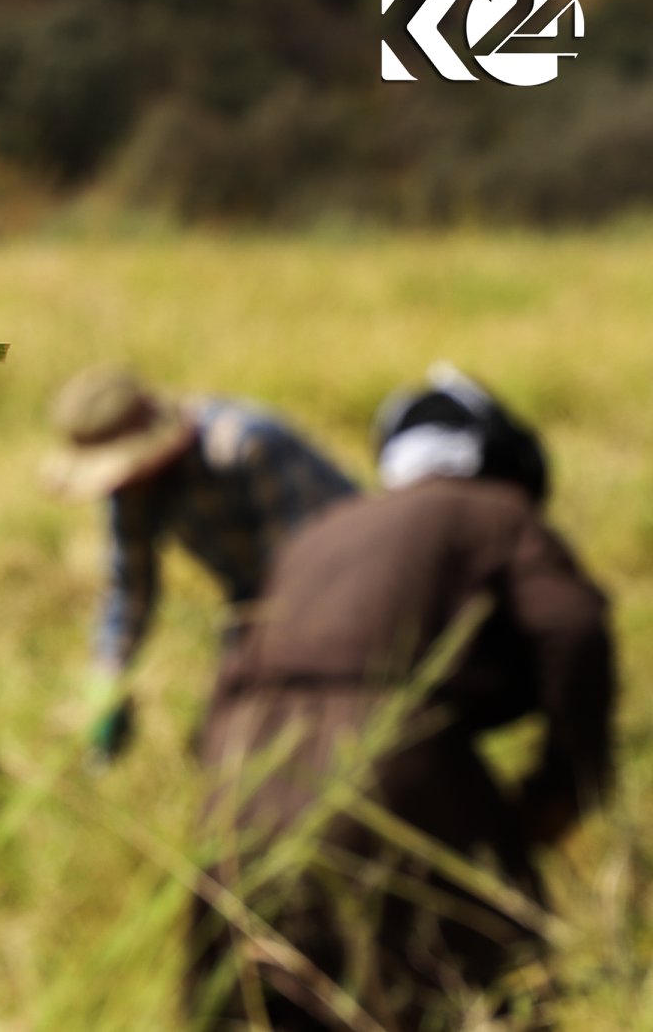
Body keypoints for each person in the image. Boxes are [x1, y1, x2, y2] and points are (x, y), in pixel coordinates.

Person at [187, 366, 617, 1030]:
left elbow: (230, 668)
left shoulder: (323, 531)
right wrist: (567, 782)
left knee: (265, 1008)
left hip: (240, 787)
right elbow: (572, 628)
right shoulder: (495, 511)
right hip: (382, 762)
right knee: (485, 991)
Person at [46, 369, 357, 763]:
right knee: (218, 743)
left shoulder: (243, 447)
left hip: (344, 580)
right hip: (257, 595)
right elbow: (130, 587)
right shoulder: (131, 489)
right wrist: (109, 677)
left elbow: (300, 570)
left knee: (307, 732)